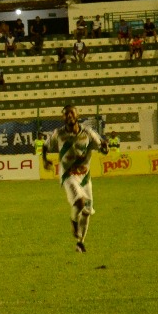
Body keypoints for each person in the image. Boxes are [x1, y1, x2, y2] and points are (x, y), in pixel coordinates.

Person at [41, 105, 109, 253]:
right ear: (63, 118)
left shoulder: (88, 132)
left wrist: (105, 148)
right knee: (80, 201)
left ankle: (80, 243)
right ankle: (73, 221)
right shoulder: (58, 134)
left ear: (77, 115)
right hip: (68, 175)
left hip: (85, 177)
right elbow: (45, 146)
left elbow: (102, 147)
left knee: (87, 212)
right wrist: (44, 160)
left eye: (72, 113)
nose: (69, 116)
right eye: (66, 114)